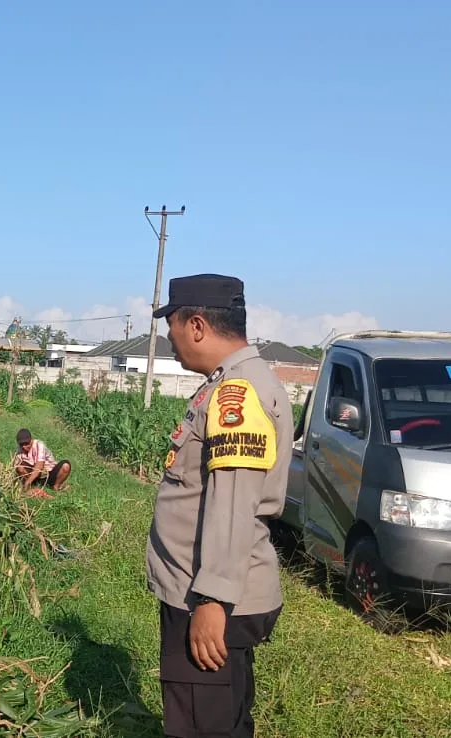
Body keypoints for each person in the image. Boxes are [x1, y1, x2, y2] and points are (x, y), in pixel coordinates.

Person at [147, 274, 292, 738]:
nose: (169, 337)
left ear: (196, 325)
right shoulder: (229, 382)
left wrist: (212, 600)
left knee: (200, 727)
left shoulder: (238, 393)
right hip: (207, 591)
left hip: (208, 598)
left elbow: (232, 501)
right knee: (223, 720)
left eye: (170, 324)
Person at [13, 428, 71, 494]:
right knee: (19, 467)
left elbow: (39, 467)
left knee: (65, 466)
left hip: (49, 473)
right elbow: (15, 466)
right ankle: (32, 484)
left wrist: (27, 482)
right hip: (34, 475)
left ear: (31, 440)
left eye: (26, 443)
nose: (24, 447)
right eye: (21, 444)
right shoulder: (18, 450)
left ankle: (56, 487)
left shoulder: (39, 445)